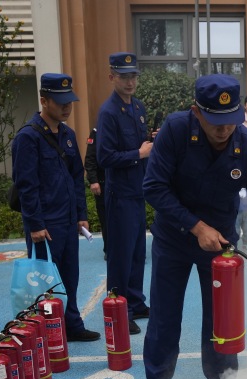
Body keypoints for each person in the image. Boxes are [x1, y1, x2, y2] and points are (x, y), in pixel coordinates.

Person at [140, 74, 247, 379]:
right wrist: (195, 226)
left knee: (222, 325)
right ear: (196, 112)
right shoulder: (175, 131)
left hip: (221, 247)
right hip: (174, 239)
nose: (224, 131)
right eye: (216, 122)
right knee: (164, 319)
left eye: (231, 122)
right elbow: (153, 187)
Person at [11, 73, 100, 342]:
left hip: (67, 220)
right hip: (44, 225)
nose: (66, 106)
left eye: (69, 101)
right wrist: (35, 224)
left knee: (70, 276)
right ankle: (48, 331)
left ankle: (72, 325)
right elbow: (26, 185)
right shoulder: (28, 138)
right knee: (45, 282)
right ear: (44, 100)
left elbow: (76, 178)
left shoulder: (68, 135)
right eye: (60, 101)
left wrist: (81, 216)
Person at [96, 52, 152, 335]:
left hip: (137, 191)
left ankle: (136, 302)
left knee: (138, 252)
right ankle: (120, 308)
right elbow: (104, 157)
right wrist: (137, 154)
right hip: (120, 195)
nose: (130, 81)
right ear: (112, 77)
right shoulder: (108, 112)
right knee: (120, 255)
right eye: (124, 76)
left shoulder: (138, 106)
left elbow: (145, 146)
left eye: (133, 76)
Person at [84, 126, 107, 259]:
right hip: (103, 182)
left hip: (122, 183)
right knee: (105, 218)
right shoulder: (97, 131)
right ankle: (109, 249)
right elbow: (90, 159)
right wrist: (93, 180)